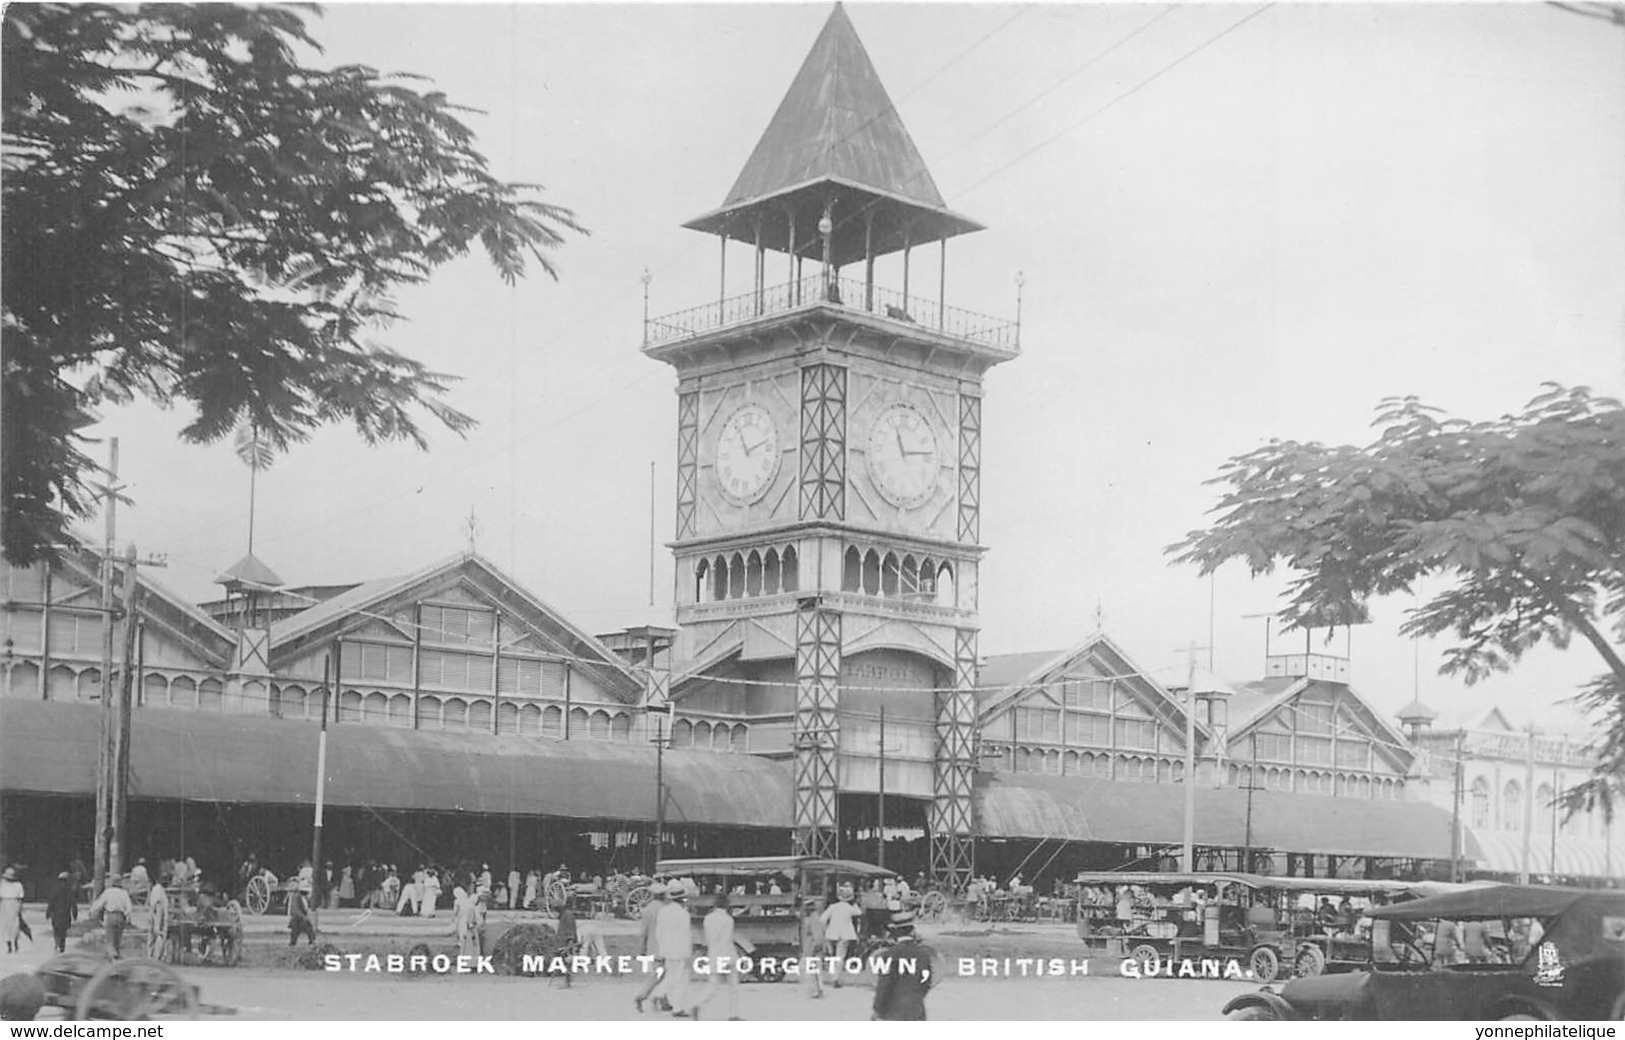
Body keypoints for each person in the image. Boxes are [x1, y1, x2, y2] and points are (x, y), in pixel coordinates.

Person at [871, 911, 936, 1021]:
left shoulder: (888, 955)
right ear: (912, 931)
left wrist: (877, 1010)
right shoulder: (923, 955)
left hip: (893, 1011)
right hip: (916, 1009)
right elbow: (926, 982)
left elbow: (884, 985)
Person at [693, 890, 741, 1021]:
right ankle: (733, 1014)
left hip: (713, 953)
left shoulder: (708, 919)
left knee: (713, 984)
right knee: (733, 986)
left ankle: (698, 1003)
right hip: (727, 954)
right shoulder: (728, 920)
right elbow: (727, 939)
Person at [652, 884, 693, 1016]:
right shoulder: (683, 914)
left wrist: (662, 948)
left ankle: (658, 994)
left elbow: (659, 933)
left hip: (667, 949)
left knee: (670, 976)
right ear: (682, 899)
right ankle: (677, 1008)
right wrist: (688, 952)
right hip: (680, 950)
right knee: (681, 979)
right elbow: (685, 934)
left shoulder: (663, 911)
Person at [633, 881, 669, 1013]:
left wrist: (641, 948)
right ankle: (642, 996)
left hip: (652, 947)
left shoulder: (647, 910)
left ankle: (664, 1001)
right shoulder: (666, 909)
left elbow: (644, 932)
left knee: (660, 974)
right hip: (664, 946)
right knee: (660, 975)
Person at [821, 885, 861, 987]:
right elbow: (859, 912)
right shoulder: (850, 908)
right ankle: (835, 979)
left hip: (831, 934)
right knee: (840, 957)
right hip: (844, 935)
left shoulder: (833, 907)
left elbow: (822, 919)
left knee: (831, 955)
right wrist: (855, 902)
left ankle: (825, 975)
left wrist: (825, 930)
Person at [87, 875, 134, 958]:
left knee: (110, 940)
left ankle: (112, 959)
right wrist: (128, 916)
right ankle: (117, 955)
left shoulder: (108, 892)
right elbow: (129, 907)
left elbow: (99, 903)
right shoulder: (124, 893)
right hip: (120, 916)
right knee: (117, 939)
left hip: (111, 916)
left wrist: (92, 911)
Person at [800, 898, 827, 1000]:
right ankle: (818, 990)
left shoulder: (813, 918)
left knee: (808, 968)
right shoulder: (814, 917)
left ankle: (814, 991)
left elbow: (817, 934)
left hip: (812, 947)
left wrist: (817, 946)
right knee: (815, 969)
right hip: (811, 946)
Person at [46, 872, 77, 953]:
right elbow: (73, 903)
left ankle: (57, 944)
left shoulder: (55, 889)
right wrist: (74, 913)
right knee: (63, 930)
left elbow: (51, 901)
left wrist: (48, 912)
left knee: (56, 929)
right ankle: (62, 946)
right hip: (65, 913)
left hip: (56, 913)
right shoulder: (70, 890)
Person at [0, 867, 25, 952]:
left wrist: (20, 907)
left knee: (15, 924)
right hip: (5, 903)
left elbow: (20, 898)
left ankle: (15, 941)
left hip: (13, 903)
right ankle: (9, 944)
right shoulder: (3, 884)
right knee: (6, 924)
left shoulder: (18, 885)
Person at [288, 877, 317, 946]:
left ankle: (311, 941)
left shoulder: (303, 897)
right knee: (296, 930)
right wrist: (304, 917)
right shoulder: (296, 897)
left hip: (301, 917)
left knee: (308, 928)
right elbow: (295, 909)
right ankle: (294, 943)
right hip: (297, 917)